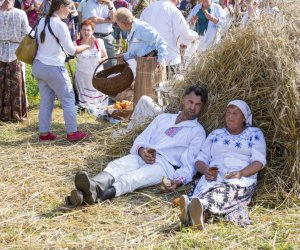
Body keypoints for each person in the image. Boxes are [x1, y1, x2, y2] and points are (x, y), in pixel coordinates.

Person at [65, 85, 208, 207]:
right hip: (144, 155)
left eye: (198, 105)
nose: (193, 107)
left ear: (202, 107)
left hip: (164, 166)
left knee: (134, 178)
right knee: (118, 165)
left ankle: (94, 195)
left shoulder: (197, 132)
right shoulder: (163, 118)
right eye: (190, 102)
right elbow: (142, 138)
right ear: (183, 100)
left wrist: (177, 181)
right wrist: (141, 151)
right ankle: (90, 189)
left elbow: (190, 164)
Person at [178, 100, 267, 229]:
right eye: (228, 113)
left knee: (225, 192)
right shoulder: (216, 134)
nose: (230, 117)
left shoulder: (254, 134)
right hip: (214, 177)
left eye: (235, 113)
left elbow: (259, 162)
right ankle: (196, 214)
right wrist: (206, 170)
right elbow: (199, 160)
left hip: (239, 178)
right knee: (205, 188)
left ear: (244, 118)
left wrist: (240, 173)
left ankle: (196, 208)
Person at [32, 0, 94, 141]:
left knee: (46, 100)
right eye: (69, 7)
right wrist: (87, 46)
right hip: (53, 67)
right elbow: (71, 51)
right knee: (68, 99)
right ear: (61, 7)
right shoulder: (60, 25)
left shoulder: (41, 21)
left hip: (39, 66)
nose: (71, 11)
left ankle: (44, 133)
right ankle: (72, 133)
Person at [140, 0, 198, 78]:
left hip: (149, 60)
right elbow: (183, 35)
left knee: (150, 88)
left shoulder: (147, 10)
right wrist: (195, 36)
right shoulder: (173, 10)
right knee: (168, 88)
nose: (179, 2)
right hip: (169, 59)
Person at [0, 0, 31, 121]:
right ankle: (16, 115)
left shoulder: (20, 13)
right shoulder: (21, 13)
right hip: (16, 52)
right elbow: (27, 33)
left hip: (10, 52)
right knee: (16, 83)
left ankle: (4, 114)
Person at [75, 19, 108, 114]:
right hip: (82, 77)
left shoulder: (99, 42)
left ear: (92, 31)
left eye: (88, 30)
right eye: (84, 29)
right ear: (80, 30)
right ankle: (86, 107)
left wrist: (101, 60)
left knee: (99, 102)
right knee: (86, 104)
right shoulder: (76, 44)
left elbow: (106, 57)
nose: (86, 32)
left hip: (97, 76)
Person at [86, 0, 116, 69]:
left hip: (107, 37)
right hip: (94, 37)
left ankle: (109, 79)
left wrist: (110, 6)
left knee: (110, 65)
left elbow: (114, 19)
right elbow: (94, 19)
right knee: (94, 64)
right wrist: (109, 20)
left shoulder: (110, 3)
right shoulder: (90, 2)